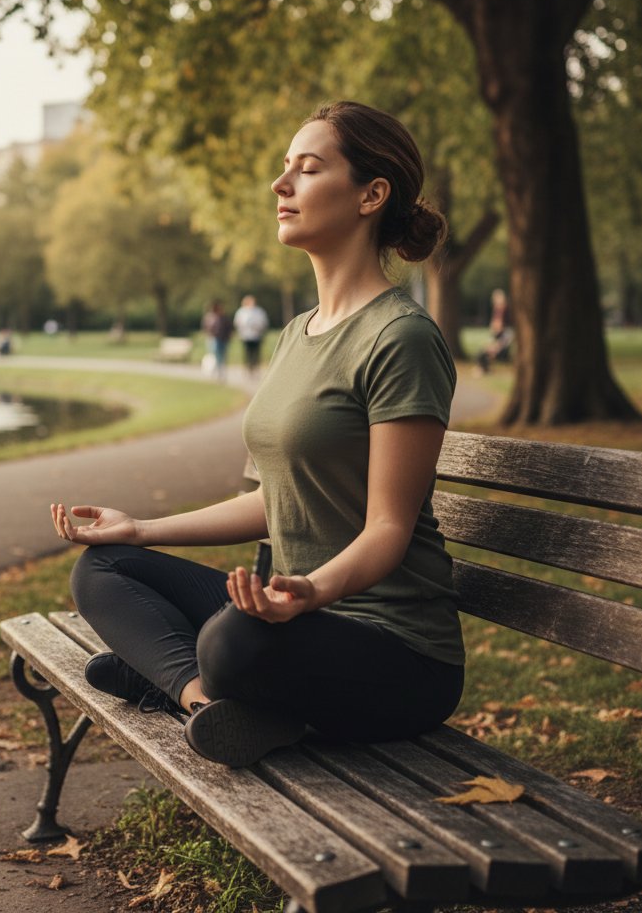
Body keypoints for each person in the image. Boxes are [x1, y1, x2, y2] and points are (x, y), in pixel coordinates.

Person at [51, 101, 463, 768]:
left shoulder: (401, 338)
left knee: (230, 641)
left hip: (395, 651)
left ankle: (185, 681)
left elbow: (388, 527)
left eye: (307, 169)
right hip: (294, 618)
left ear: (371, 194)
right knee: (105, 567)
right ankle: (204, 703)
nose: (281, 186)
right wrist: (141, 529)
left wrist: (311, 593)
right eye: (283, 170)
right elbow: (278, 500)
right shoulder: (295, 335)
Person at [476, 288, 514, 373]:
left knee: (487, 351)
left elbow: (499, 326)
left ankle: (484, 369)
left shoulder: (503, 310)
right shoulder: (498, 310)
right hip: (499, 336)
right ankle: (484, 369)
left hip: (503, 336)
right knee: (484, 351)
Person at [232, 294, 270, 375]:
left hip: (257, 335)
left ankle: (255, 367)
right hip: (246, 336)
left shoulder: (259, 311)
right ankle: (248, 368)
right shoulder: (241, 311)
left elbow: (264, 322)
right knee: (247, 353)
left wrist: (259, 328)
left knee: (256, 353)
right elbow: (237, 323)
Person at [200, 300, 233, 380]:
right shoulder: (209, 317)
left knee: (222, 356)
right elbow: (205, 327)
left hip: (223, 339)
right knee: (214, 356)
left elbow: (229, 327)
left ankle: (221, 372)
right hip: (214, 339)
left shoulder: (224, 318)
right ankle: (214, 372)